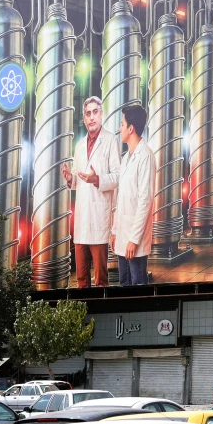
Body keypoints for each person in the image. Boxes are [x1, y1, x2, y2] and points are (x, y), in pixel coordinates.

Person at [60, 96, 121, 288]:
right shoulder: (79, 146)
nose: (92, 117)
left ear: (101, 115)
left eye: (95, 112)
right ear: (84, 118)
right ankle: (82, 315)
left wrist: (98, 179)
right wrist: (71, 179)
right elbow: (80, 179)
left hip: (99, 217)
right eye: (88, 113)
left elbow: (118, 176)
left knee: (101, 279)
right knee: (81, 278)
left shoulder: (111, 140)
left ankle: (102, 315)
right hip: (82, 220)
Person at [112, 105, 155, 287]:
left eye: (122, 124)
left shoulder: (145, 156)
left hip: (134, 239)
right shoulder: (127, 157)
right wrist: (114, 231)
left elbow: (145, 201)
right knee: (124, 283)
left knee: (137, 284)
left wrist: (134, 239)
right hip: (123, 234)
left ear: (131, 128)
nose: (120, 128)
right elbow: (121, 199)